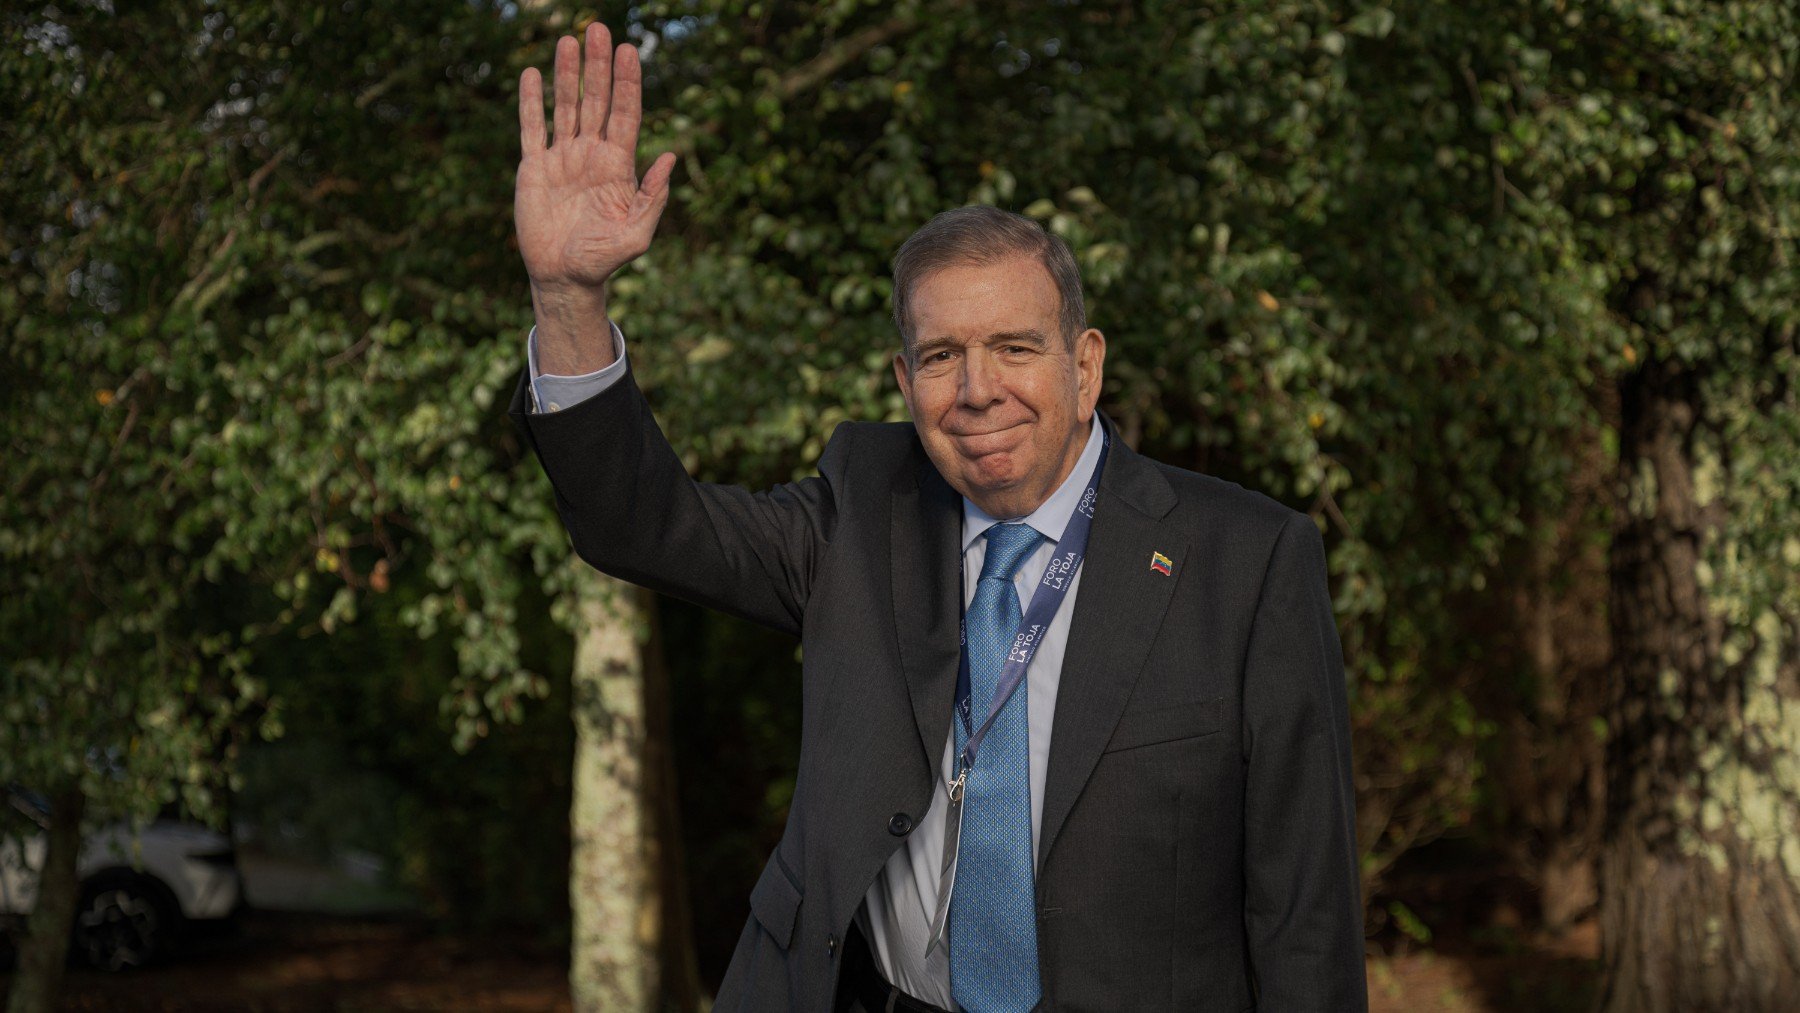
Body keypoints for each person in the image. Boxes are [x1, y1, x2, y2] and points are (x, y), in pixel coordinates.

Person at [508, 23, 1365, 1013]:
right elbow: (638, 525)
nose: (979, 388)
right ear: (904, 380)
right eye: (944, 355)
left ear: (1084, 366)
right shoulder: (862, 509)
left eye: (1013, 346)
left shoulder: (1249, 561)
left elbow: (1305, 919)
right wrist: (568, 296)